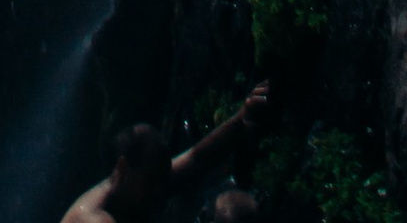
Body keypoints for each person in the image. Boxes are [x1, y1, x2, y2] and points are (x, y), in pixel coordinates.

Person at [61, 89, 273, 223]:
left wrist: (242, 118)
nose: (159, 190)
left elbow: (197, 158)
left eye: (162, 180)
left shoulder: (137, 188)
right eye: (152, 181)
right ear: (124, 167)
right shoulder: (94, 217)